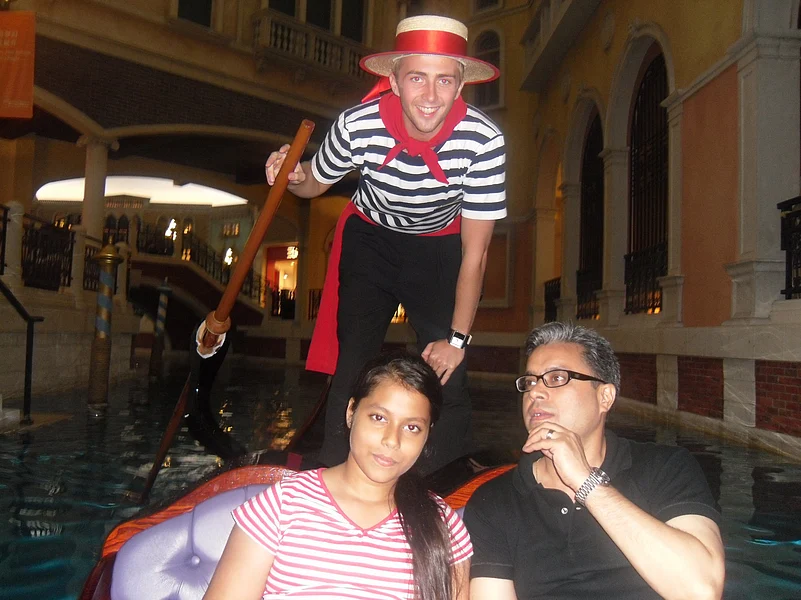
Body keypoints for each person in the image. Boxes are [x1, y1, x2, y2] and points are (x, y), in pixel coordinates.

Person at [264, 14, 507, 474]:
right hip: (370, 241)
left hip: (438, 249)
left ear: (460, 88)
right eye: (417, 77)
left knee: (448, 374)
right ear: (394, 80)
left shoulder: (484, 141)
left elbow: (475, 254)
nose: (431, 96)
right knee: (353, 363)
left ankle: (446, 483)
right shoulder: (357, 125)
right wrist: (291, 176)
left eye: (444, 81)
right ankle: (337, 474)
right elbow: (314, 183)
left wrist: (456, 340)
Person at [464, 322, 725, 600]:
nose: (535, 393)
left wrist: (586, 482)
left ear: (605, 397)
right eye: (530, 382)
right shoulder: (494, 501)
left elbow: (701, 590)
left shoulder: (666, 467)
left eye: (557, 378)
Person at [203, 352, 472, 600]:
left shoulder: (442, 526)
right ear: (351, 412)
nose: (392, 440)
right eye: (379, 418)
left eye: (412, 427)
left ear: (427, 435)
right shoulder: (283, 505)